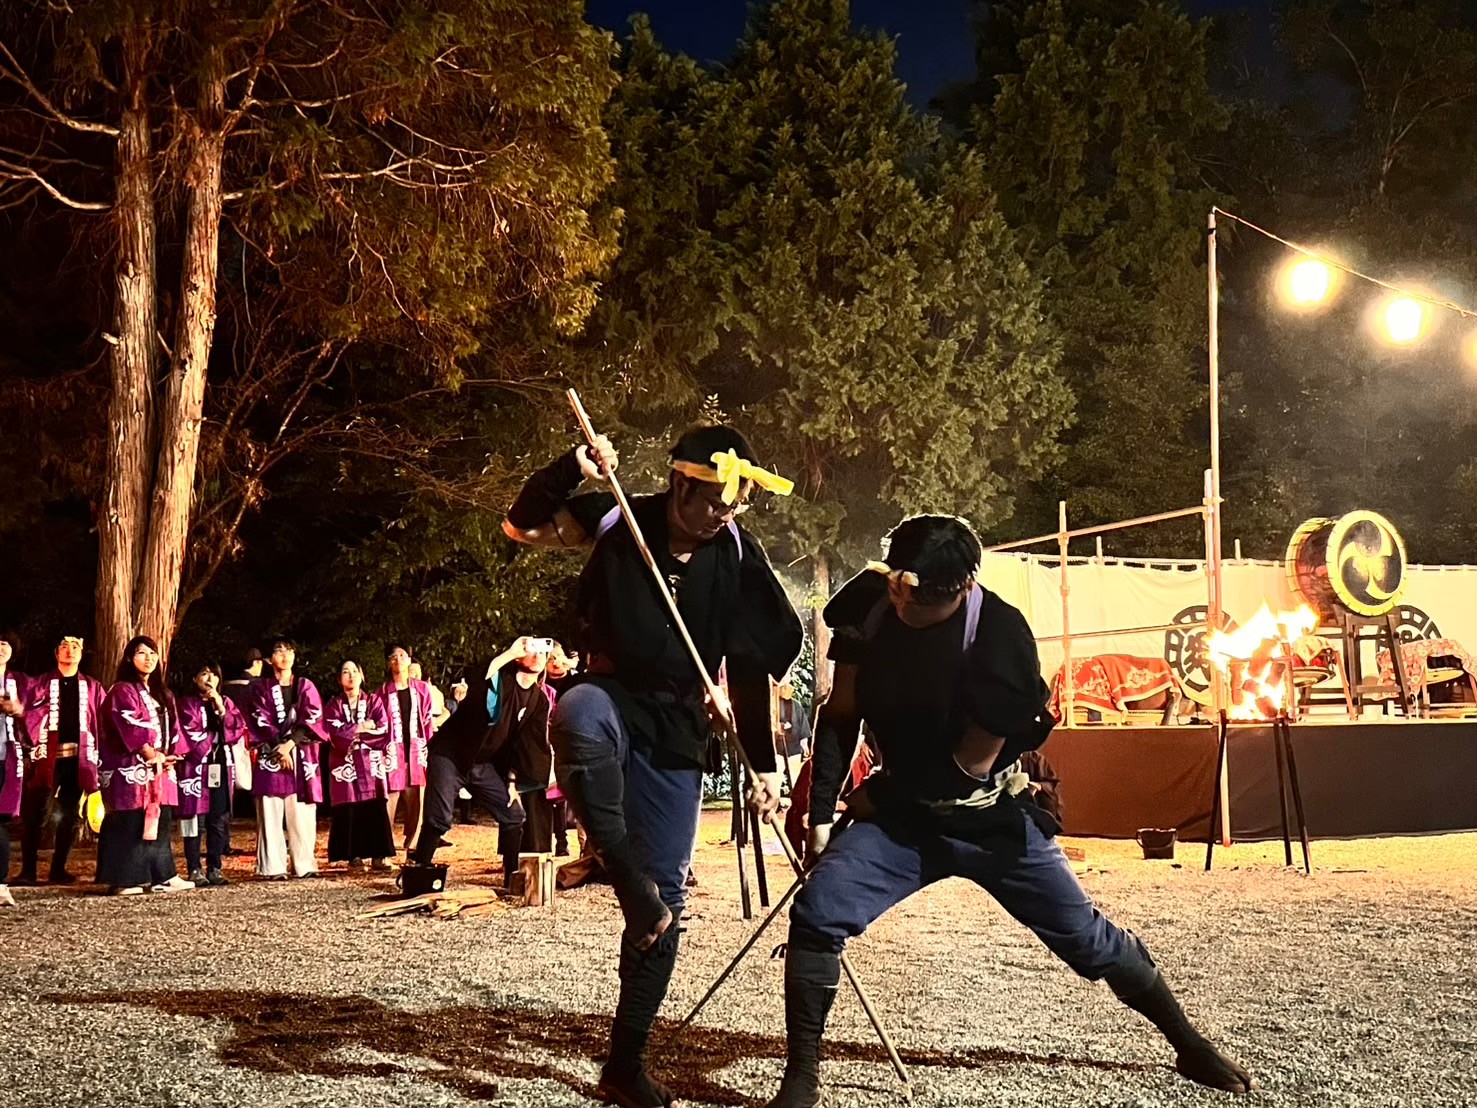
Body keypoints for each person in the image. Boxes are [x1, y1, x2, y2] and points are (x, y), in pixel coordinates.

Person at [767, 516, 1253, 1108]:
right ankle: (801, 1078)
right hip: (902, 824)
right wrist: (820, 815)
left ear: (962, 586)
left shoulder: (999, 639)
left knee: (1087, 939)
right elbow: (842, 712)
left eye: (919, 598)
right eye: (897, 588)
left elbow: (964, 770)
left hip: (987, 815)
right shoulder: (869, 608)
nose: (903, 605)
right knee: (819, 912)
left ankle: (1187, 1043)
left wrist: (876, 798)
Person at [504, 424, 803, 1108]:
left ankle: (624, 1065)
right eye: (714, 500)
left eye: (736, 502)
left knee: (666, 903)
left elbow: (750, 660)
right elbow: (519, 526)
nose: (725, 512)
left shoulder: (736, 553)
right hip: (609, 694)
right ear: (679, 484)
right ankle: (623, 877)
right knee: (574, 714)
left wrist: (763, 766)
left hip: (677, 726)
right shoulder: (618, 516)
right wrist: (573, 467)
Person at [408, 638, 545, 884]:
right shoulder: (500, 680)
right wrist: (509, 653)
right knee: (438, 817)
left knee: (513, 813)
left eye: (542, 652)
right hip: (451, 754)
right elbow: (479, 679)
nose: (537, 656)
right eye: (530, 650)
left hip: (482, 764)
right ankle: (420, 872)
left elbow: (526, 744)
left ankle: (511, 877)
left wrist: (512, 781)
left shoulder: (538, 699)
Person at [96, 636, 194, 895]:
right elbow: (128, 723)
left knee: (161, 820)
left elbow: (175, 729)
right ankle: (126, 880)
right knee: (131, 820)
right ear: (129, 658)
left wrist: (171, 755)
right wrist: (150, 753)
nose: (149, 658)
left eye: (153, 653)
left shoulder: (163, 693)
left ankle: (163, 875)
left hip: (160, 767)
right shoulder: (122, 690)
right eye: (141, 653)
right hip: (130, 766)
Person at [18, 633, 106, 886]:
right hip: (45, 759)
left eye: (75, 646)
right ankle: (28, 871)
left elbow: (101, 721)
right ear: (57, 653)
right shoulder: (40, 684)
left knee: (70, 815)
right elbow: (26, 714)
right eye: (65, 646)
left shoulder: (92, 687)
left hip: (78, 760)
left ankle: (58, 869)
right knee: (35, 814)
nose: (70, 650)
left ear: (82, 652)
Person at [246, 638, 325, 880]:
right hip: (271, 754)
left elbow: (312, 718)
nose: (285, 655)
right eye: (279, 650)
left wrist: (289, 745)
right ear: (269, 659)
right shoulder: (260, 688)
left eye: (289, 650)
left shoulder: (305, 686)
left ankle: (304, 864)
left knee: (301, 812)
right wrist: (278, 749)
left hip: (300, 754)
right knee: (270, 809)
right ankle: (273, 866)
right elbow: (259, 719)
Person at [177, 662, 248, 886]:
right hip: (196, 768)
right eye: (204, 673)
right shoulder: (186, 704)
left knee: (218, 819)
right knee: (194, 819)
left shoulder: (225, 701)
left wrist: (221, 709)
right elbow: (187, 734)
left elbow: (237, 728)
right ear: (194, 678)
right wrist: (211, 736)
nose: (210, 679)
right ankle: (194, 868)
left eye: (214, 674)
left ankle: (215, 867)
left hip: (221, 765)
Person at [323, 661, 396, 869]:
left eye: (355, 671)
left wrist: (354, 733)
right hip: (345, 762)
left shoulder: (374, 701)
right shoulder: (334, 705)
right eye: (346, 672)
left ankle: (379, 855)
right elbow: (333, 731)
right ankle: (352, 855)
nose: (351, 675)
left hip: (370, 762)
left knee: (375, 807)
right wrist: (362, 726)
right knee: (349, 808)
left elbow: (383, 728)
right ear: (339, 679)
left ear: (362, 675)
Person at [380, 645, 434, 856]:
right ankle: (383, 847)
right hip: (391, 750)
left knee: (417, 799)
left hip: (416, 750)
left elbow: (427, 720)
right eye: (393, 656)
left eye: (402, 656)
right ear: (389, 662)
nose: (398, 660)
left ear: (410, 660)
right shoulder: (382, 692)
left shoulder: (421, 689)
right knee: (388, 798)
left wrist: (429, 747)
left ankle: (413, 845)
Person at [0, 633, 30, 906]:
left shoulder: (20, 681)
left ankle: (0, 883)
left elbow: (38, 711)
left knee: (1, 820)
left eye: (5, 643)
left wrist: (19, 710)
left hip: (6, 756)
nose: (1, 648)